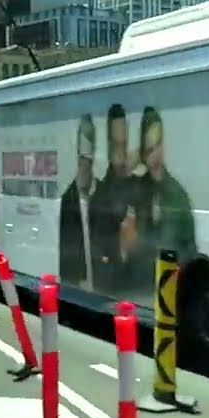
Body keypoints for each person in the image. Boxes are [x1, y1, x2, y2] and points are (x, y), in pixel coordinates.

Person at [134, 106, 197, 277]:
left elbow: (179, 246)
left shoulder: (176, 193)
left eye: (157, 145)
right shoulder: (140, 189)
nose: (154, 153)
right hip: (144, 281)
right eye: (149, 149)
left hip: (173, 277)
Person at [91, 104, 134, 292]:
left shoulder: (138, 185)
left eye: (124, 145)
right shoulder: (100, 196)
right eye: (116, 146)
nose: (121, 156)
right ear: (109, 147)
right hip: (115, 287)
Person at [58, 115, 98, 288]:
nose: (84, 163)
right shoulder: (68, 200)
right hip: (77, 281)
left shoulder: (105, 192)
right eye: (81, 159)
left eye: (88, 159)